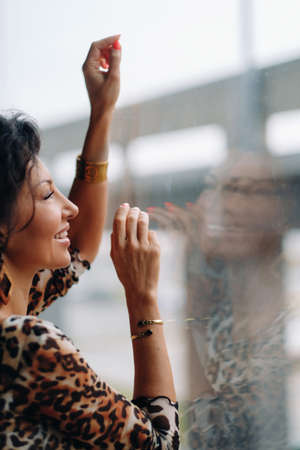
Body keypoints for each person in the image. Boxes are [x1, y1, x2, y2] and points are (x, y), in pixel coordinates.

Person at [0, 36, 179, 449]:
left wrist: (101, 112)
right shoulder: (28, 345)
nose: (71, 208)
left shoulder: (15, 304)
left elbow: (76, 250)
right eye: (47, 194)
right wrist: (142, 298)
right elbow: (159, 442)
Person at [150, 153, 291, 449]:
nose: (228, 205)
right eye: (222, 189)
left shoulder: (285, 318)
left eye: (247, 190)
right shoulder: (216, 295)